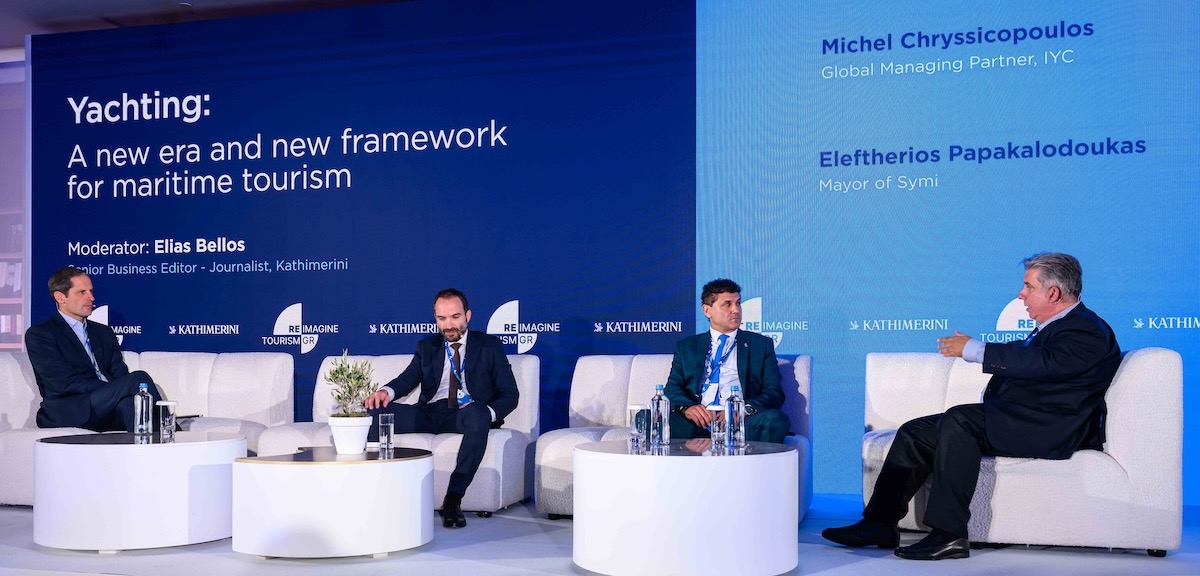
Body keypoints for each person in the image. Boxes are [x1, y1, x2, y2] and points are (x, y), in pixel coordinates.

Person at [822, 252, 1121, 560]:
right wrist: (977, 350)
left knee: (961, 420)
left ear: (1053, 293)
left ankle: (948, 535)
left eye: (1029, 286)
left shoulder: (1086, 329)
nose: (1021, 294)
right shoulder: (1060, 326)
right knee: (916, 432)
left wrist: (976, 349)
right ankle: (879, 524)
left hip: (1050, 429)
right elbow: (1031, 358)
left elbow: (1045, 363)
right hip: (1025, 420)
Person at [364, 288, 519, 528]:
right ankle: (376, 492)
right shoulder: (427, 346)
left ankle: (453, 500)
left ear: (468, 316)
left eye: (455, 317)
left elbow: (510, 395)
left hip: (466, 413)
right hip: (429, 413)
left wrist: (486, 415)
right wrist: (386, 391)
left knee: (478, 413)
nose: (448, 325)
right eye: (442, 318)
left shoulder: (489, 345)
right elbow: (407, 379)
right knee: (375, 414)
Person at [25, 266, 161, 432]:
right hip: (71, 408)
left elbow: (119, 372)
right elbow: (63, 383)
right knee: (139, 378)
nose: (91, 297)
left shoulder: (103, 332)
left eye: (91, 291)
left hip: (106, 405)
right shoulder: (41, 334)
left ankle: (153, 446)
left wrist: (114, 391)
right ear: (60, 297)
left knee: (131, 405)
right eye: (82, 292)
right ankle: (174, 433)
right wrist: (111, 389)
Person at [663, 278, 790, 444]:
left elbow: (774, 392)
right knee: (647, 418)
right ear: (707, 310)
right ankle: (702, 442)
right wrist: (687, 408)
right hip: (697, 423)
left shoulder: (760, 345)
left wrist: (743, 409)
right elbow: (672, 388)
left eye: (738, 303)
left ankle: (736, 448)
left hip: (739, 423)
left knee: (776, 420)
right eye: (727, 304)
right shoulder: (687, 347)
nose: (736, 310)